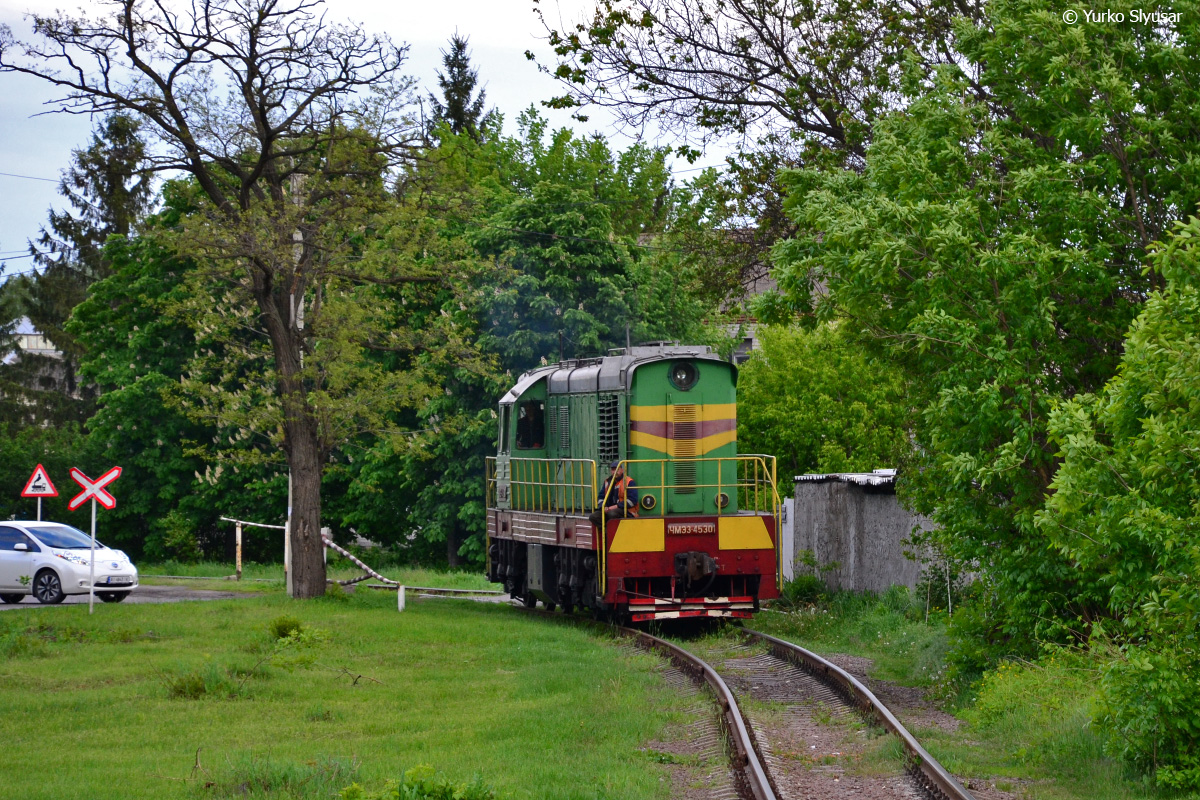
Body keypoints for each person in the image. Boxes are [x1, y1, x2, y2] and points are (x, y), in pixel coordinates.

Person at [590, 460, 638, 527]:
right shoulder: (607, 482)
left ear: (622, 470)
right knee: (593, 516)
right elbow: (601, 497)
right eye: (613, 470)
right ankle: (607, 531)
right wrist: (603, 507)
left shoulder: (629, 482)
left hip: (626, 511)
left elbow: (633, 500)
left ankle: (612, 532)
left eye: (617, 469)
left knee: (612, 513)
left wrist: (616, 506)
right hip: (609, 510)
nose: (614, 472)